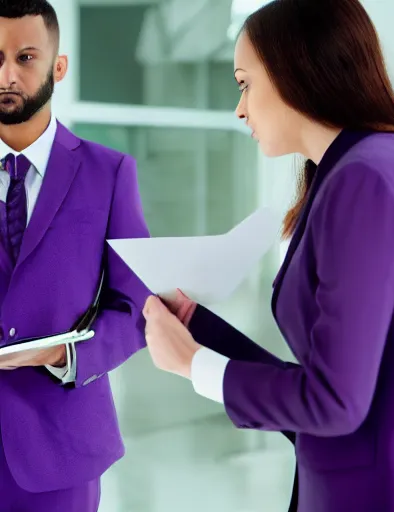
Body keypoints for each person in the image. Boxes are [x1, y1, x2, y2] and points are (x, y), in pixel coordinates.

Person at [143, 0, 394, 511]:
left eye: (245, 82)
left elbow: (336, 402)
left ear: (295, 70)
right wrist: (202, 332)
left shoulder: (361, 181)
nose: (240, 107)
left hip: (392, 489)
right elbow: (367, 375)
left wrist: (195, 366)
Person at [0, 1, 150, 511]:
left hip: (61, 449)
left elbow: (136, 310)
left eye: (25, 57)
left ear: (57, 67)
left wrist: (64, 355)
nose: (7, 74)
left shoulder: (109, 174)